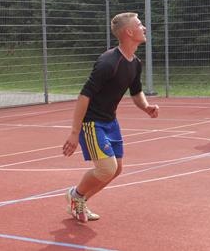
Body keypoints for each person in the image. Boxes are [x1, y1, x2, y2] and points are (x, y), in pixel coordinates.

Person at [62, 12, 159, 221]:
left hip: (110, 121)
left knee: (116, 169)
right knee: (107, 168)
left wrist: (146, 107)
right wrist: (74, 132)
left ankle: (79, 202)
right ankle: (75, 195)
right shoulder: (108, 62)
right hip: (91, 122)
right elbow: (84, 96)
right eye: (139, 24)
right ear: (129, 32)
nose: (144, 28)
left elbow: (136, 91)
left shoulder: (135, 62)